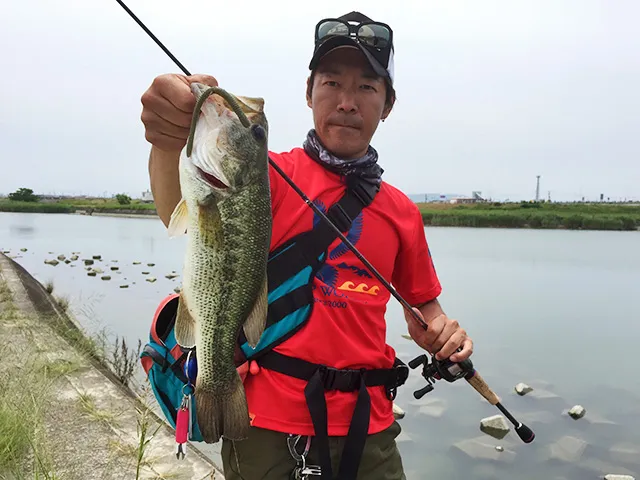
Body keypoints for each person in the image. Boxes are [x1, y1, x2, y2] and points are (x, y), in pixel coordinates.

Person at [140, 11, 473, 480]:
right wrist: (166, 138)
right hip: (268, 426)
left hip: (370, 427)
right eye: (332, 83)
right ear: (309, 91)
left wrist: (442, 333)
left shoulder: (402, 212)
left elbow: (427, 309)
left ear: (388, 104)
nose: (347, 102)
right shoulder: (265, 175)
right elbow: (174, 204)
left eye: (367, 88)